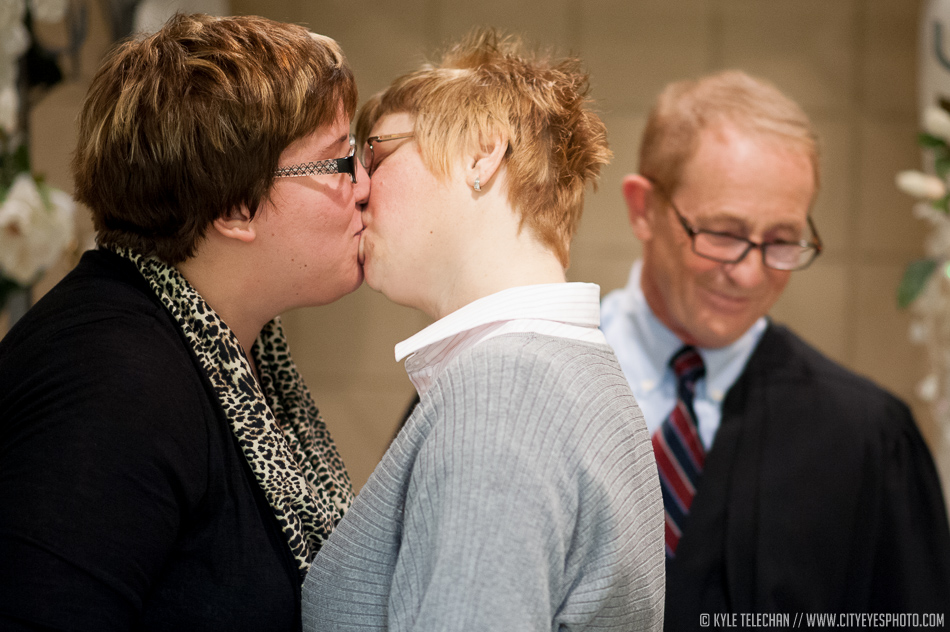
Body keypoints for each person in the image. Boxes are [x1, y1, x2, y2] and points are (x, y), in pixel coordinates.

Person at [0, 13, 367, 630]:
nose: (363, 187)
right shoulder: (112, 379)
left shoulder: (234, 345)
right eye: (339, 162)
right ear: (234, 207)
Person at [301, 31, 664, 631]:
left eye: (377, 154)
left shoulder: (505, 395)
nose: (358, 187)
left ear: (481, 154)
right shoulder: (571, 372)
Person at [601, 70, 950, 626]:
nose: (749, 273)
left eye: (783, 241)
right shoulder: (516, 388)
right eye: (723, 232)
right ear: (643, 208)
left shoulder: (866, 438)